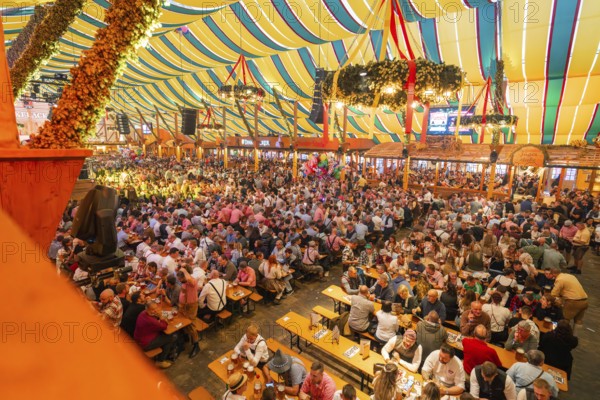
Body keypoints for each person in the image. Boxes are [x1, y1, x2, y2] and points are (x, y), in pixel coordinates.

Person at [133, 301, 177, 369]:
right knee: (171, 337)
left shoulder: (143, 313)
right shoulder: (151, 321)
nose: (155, 310)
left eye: (156, 308)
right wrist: (161, 316)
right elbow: (164, 326)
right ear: (147, 309)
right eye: (153, 309)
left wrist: (157, 315)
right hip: (145, 344)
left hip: (138, 338)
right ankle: (160, 361)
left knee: (165, 336)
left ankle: (164, 353)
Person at [176, 267, 200, 358]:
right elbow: (183, 293)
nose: (179, 280)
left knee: (191, 325)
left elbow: (190, 279)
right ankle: (185, 339)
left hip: (191, 306)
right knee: (183, 322)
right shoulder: (184, 283)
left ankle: (196, 345)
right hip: (184, 306)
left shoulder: (192, 281)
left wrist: (184, 269)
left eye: (180, 279)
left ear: (185, 276)